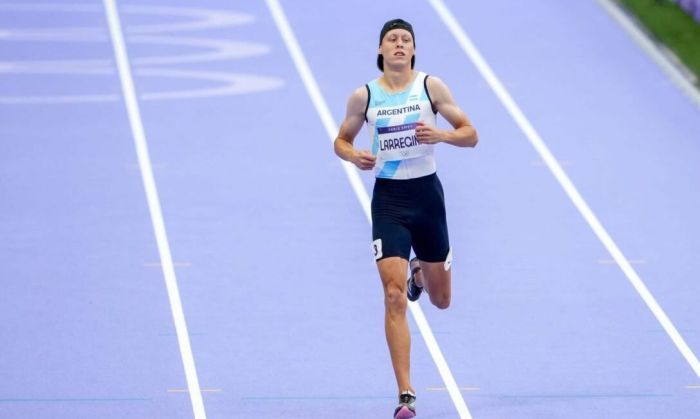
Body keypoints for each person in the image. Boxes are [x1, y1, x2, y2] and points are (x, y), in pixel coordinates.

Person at [333, 18, 478, 419]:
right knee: (393, 296)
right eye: (391, 40)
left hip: (427, 198)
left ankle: (421, 276)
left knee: (442, 300)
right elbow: (340, 140)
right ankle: (406, 394)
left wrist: (441, 136)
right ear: (380, 51)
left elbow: (471, 133)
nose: (399, 44)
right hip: (390, 201)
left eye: (406, 40)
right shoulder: (364, 97)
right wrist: (353, 155)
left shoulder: (431, 87)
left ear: (413, 51)